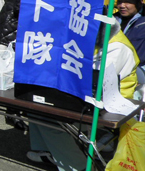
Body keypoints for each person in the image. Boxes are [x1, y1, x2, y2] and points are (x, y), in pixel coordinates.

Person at [27, 19, 139, 170]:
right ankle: (46, 152)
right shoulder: (96, 37)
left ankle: (77, 166)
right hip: (86, 94)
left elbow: (95, 79)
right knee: (35, 105)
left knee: (52, 121)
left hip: (111, 103)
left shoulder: (117, 47)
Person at [114, 0, 145, 66]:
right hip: (116, 67)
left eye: (127, 2)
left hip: (139, 68)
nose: (122, 5)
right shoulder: (112, 20)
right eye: (120, 1)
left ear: (140, 2)